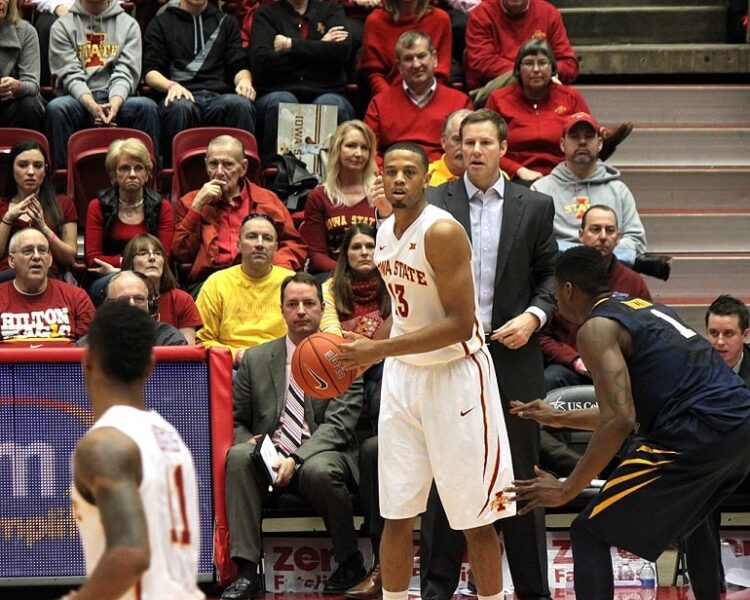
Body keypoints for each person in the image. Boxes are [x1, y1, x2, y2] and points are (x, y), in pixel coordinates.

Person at [509, 245, 750, 600]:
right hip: (739, 426)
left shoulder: (596, 328)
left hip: (694, 433)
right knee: (695, 522)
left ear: (569, 289)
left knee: (588, 531)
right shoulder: (643, 309)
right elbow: (630, 409)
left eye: (555, 293)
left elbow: (619, 420)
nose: (555, 304)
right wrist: (559, 417)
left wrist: (567, 489)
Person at [338, 142, 515, 600]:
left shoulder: (442, 232)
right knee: (396, 513)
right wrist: (372, 344)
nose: (399, 179)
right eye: (391, 171)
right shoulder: (382, 231)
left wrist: (378, 350)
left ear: (426, 179)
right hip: (404, 378)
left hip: (455, 377)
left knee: (476, 518)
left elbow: (459, 325)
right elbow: (405, 311)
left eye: (409, 172)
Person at [424, 109, 557, 600]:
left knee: (521, 474)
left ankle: (531, 590)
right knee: (444, 472)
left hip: (513, 355)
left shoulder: (536, 205)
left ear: (503, 148)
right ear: (455, 149)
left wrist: (534, 317)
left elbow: (550, 276)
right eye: (466, 143)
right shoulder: (434, 203)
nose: (474, 151)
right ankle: (437, 588)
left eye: (483, 142)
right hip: (449, 357)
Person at [221, 272, 366, 600]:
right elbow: (237, 419)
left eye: (309, 303)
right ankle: (246, 572)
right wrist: (251, 441)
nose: (301, 310)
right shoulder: (256, 358)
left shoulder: (343, 356)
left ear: (321, 308)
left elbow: (339, 426)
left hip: (321, 451)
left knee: (319, 469)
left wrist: (296, 458)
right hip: (269, 455)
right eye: (293, 304)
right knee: (238, 456)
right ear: (282, 310)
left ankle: (350, 561)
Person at [66, 301, 203, 599]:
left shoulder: (104, 445)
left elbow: (130, 553)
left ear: (87, 360)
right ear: (150, 366)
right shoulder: (171, 436)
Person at [319, 223, 390, 599]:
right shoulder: (330, 288)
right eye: (356, 247)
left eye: (370, 246)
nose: (364, 252)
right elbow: (331, 332)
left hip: (390, 365)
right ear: (345, 255)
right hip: (344, 364)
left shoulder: (395, 284)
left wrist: (371, 349)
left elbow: (401, 333)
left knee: (380, 397)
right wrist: (365, 350)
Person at [485, 39, 631, 184]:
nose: (536, 69)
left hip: (565, 176)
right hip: (515, 179)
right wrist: (518, 170)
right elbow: (487, 146)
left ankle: (604, 140)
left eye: (542, 63)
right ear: (518, 69)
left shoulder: (570, 97)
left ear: (552, 68)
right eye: (529, 63)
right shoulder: (499, 99)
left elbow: (586, 135)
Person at [541, 205, 651, 393]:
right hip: (571, 368)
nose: (602, 236)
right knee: (550, 379)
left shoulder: (634, 282)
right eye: (595, 229)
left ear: (618, 237)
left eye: (609, 230)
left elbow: (648, 332)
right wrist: (575, 361)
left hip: (621, 370)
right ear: (581, 235)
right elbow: (542, 336)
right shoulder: (560, 279)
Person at [172, 135, 306, 289]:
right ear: (206, 165)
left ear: (243, 168)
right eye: (213, 164)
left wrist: (277, 270)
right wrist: (197, 208)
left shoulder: (268, 200)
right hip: (211, 282)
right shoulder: (190, 202)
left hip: (259, 277)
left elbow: (293, 244)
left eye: (228, 165)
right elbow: (181, 254)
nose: (219, 172)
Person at [46, 0, 161, 169]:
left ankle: (150, 179)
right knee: (56, 108)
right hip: (77, 99)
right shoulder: (62, 26)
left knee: (147, 107)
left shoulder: (128, 24)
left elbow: (126, 72)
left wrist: (114, 104)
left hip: (118, 99)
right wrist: (92, 105)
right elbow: (70, 75)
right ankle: (62, 185)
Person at [143, 0, 256, 166]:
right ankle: (171, 177)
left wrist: (245, 81)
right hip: (179, 94)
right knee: (180, 107)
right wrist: (170, 85)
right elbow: (150, 72)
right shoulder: (161, 22)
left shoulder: (226, 21)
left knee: (240, 104)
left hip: (219, 96)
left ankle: (246, 179)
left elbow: (238, 64)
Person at [532, 112, 647, 267]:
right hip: (559, 273)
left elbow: (636, 241)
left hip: (608, 273)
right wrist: (587, 253)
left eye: (589, 136)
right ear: (562, 144)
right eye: (574, 136)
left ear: (600, 143)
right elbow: (535, 244)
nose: (582, 142)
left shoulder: (619, 191)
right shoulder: (541, 190)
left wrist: (602, 254)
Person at [248, 0, 355, 163]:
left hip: (327, 91)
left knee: (328, 104)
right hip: (277, 91)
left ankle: (327, 176)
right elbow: (262, 62)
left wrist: (291, 45)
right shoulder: (266, 14)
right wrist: (320, 46)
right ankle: (277, 174)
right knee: (283, 102)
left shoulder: (331, 10)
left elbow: (342, 52)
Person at [196, 213, 294, 364]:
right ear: (239, 245)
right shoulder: (216, 283)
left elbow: (307, 334)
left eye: (267, 238)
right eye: (252, 236)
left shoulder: (291, 283)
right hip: (230, 366)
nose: (260, 244)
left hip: (282, 364)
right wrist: (236, 355)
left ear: (275, 248)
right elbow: (202, 340)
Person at [364, 31, 472, 163]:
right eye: (409, 59)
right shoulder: (379, 103)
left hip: (445, 178)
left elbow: (467, 149)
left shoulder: (460, 102)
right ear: (399, 66)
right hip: (396, 177)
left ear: (434, 58)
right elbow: (369, 152)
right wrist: (385, 174)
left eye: (421, 56)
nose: (416, 64)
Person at [84, 138, 173, 296]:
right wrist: (130, 267)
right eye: (124, 168)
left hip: (150, 277)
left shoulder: (162, 207)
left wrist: (121, 266)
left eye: (138, 168)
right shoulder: (98, 206)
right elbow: (93, 259)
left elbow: (164, 256)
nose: (132, 174)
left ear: (146, 175)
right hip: (108, 277)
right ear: (113, 175)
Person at [303, 120, 380, 275]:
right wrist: (346, 275)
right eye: (351, 146)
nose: (358, 153)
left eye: (364, 148)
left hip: (375, 277)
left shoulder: (380, 193)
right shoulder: (319, 197)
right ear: (337, 150)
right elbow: (317, 255)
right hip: (332, 277)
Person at [465, 0, 577, 103]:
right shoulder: (481, 14)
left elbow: (569, 64)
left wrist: (546, 71)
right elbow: (481, 62)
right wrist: (526, 72)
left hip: (543, 90)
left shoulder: (548, 12)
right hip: (496, 92)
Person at [0, 228, 94, 346]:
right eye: (28, 251)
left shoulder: (76, 297)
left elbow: (92, 349)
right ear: (12, 260)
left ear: (50, 259)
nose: (36, 256)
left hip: (65, 364)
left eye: (42, 250)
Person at [0, 140, 78, 281]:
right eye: (23, 165)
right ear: (12, 169)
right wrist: (7, 219)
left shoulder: (63, 204)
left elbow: (70, 259)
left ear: (45, 169)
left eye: (37, 166)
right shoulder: (2, 206)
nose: (31, 172)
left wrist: (43, 227)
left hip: (48, 279)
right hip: (6, 279)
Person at [359, 0, 451, 97]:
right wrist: (389, 100)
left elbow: (441, 72)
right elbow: (374, 74)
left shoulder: (440, 19)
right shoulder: (375, 21)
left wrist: (425, 99)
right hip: (389, 98)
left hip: (431, 97)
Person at [122, 234, 202, 344]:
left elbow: (187, 353)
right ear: (130, 262)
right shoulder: (119, 299)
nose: (152, 258)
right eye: (143, 253)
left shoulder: (182, 300)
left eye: (157, 253)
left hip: (171, 361)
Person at [0, 0, 46, 131]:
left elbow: (32, 85)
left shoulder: (26, 31)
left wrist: (17, 86)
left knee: (29, 105)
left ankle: (26, 150)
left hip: (12, 106)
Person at [706, 294, 750, 387]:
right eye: (714, 333)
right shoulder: (693, 368)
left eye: (728, 333)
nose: (720, 342)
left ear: (745, 335)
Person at [427, 108, 472, 187]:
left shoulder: (494, 179)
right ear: (443, 142)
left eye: (470, 142)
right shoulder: (424, 177)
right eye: (457, 140)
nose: (463, 148)